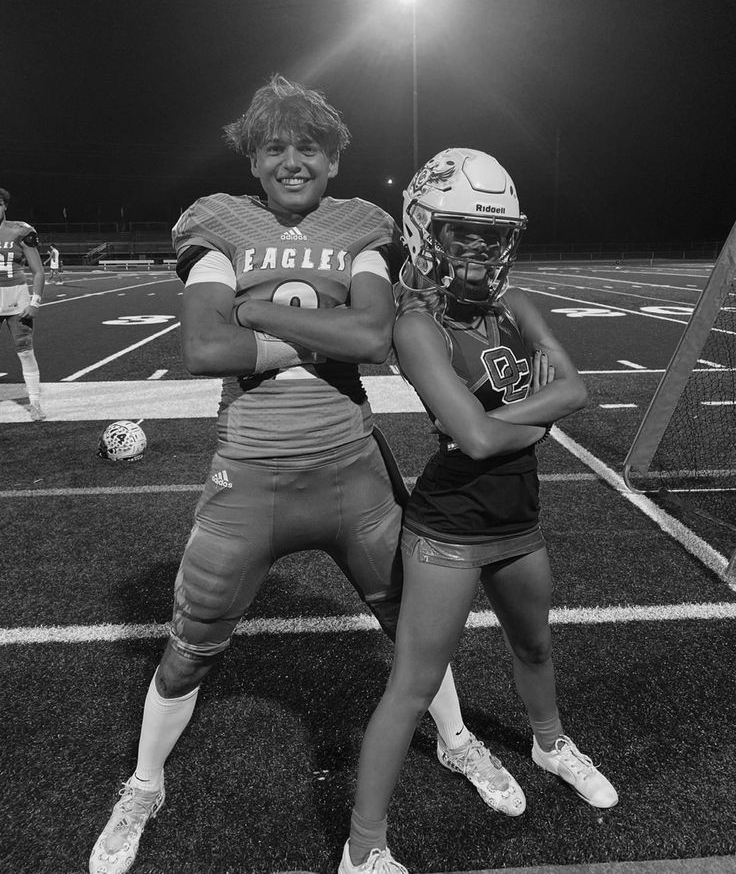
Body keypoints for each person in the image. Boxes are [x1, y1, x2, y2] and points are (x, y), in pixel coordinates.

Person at [89, 81, 524, 874]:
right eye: (274, 147)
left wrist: (252, 313)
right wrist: (314, 337)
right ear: (252, 159)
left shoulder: (362, 223)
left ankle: (456, 741)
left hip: (352, 472)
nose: (292, 161)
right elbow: (204, 350)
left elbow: (370, 337)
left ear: (334, 157)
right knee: (189, 646)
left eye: (309, 147)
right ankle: (144, 784)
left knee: (415, 629)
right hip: (250, 479)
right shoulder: (218, 220)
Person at [339, 149, 618, 874]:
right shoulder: (414, 324)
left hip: (518, 518)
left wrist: (522, 419)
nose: (476, 246)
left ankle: (549, 744)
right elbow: (476, 434)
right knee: (413, 686)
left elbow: (577, 389)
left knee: (535, 646)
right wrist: (541, 413)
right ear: (424, 229)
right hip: (451, 527)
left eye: (490, 234)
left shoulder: (516, 305)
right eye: (459, 229)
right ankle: (363, 847)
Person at [0, 187, 46, 421]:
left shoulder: (20, 231)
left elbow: (38, 271)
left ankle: (35, 403)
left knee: (26, 352)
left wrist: (35, 302)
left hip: (17, 298)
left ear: (5, 206)